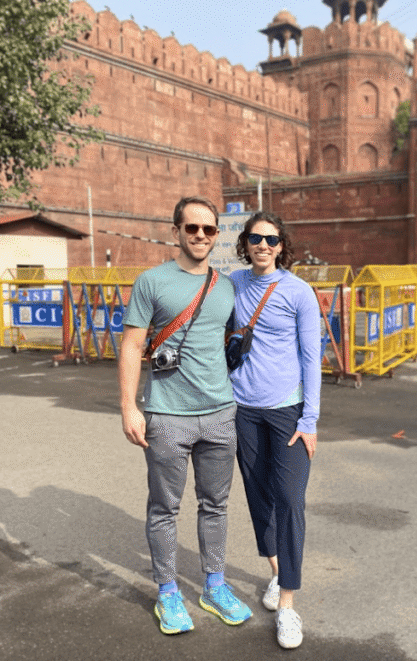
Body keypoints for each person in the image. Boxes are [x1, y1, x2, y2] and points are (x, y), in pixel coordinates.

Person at [119, 196, 252, 634]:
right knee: (164, 508)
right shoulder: (152, 282)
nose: (199, 236)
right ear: (175, 231)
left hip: (219, 413)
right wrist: (128, 407)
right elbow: (133, 346)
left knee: (215, 505)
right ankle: (168, 593)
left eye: (208, 230)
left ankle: (214, 585)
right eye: (191, 228)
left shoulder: (227, 286)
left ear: (217, 235)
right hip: (166, 416)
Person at [230, 212, 322, 648]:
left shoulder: (299, 292)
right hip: (243, 409)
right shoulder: (234, 284)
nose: (262, 245)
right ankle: (276, 573)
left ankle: (288, 605)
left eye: (270, 239)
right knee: (257, 495)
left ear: (282, 245)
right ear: (245, 243)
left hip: (287, 411)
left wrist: (310, 421)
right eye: (255, 238)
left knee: (289, 500)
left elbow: (311, 359)